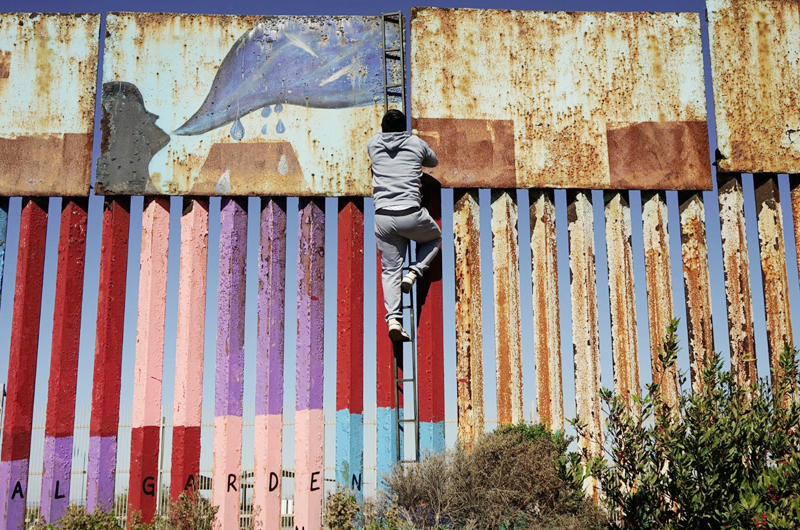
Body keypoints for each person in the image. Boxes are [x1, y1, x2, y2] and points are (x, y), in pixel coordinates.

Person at [368, 109, 442, 342]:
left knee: (390, 270)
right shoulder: (415, 143)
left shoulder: (373, 144)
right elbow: (434, 162)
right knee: (434, 238)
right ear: (404, 127)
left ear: (382, 126)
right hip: (410, 212)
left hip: (382, 216)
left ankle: (393, 320)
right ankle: (414, 273)